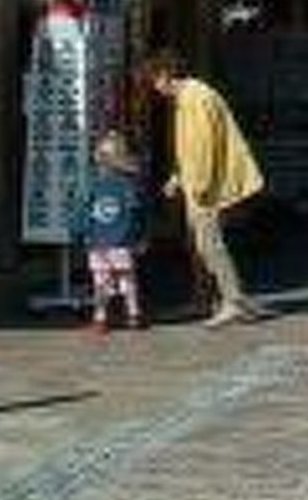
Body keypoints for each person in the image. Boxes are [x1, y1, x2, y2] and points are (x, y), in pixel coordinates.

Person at [144, 49, 269, 328]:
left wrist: (198, 183)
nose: (155, 88)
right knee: (200, 244)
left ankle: (232, 301)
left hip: (206, 186)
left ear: (165, 75)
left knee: (210, 244)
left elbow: (202, 146)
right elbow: (191, 146)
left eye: (154, 81)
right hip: (199, 183)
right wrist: (178, 177)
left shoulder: (195, 98)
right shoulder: (189, 97)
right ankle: (212, 298)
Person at [71, 131, 148, 334]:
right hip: (123, 241)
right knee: (127, 279)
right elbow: (136, 212)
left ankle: (101, 318)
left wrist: (77, 232)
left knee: (101, 282)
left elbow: (81, 211)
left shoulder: (91, 184)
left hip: (98, 242)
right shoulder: (128, 186)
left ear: (98, 158)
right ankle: (134, 314)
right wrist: (140, 237)